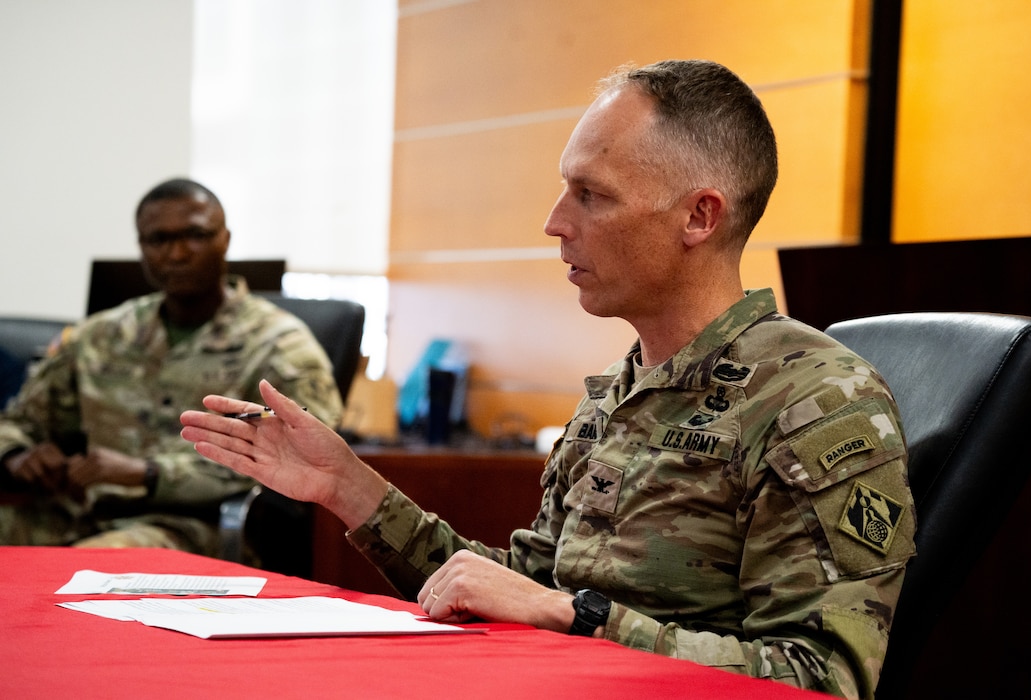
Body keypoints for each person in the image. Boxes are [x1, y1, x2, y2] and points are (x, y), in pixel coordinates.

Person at [179, 61, 915, 699]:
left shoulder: (815, 402)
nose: (555, 222)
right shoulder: (623, 392)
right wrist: (347, 486)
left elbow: (821, 680)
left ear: (700, 216)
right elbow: (514, 587)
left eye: (591, 196)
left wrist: (578, 615)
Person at [0, 178, 344, 554]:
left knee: (82, 567)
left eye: (195, 235)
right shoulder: (100, 335)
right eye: (158, 240)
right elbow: (19, 421)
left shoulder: (279, 345)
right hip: (76, 513)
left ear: (225, 239)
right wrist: (17, 456)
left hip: (187, 528)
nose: (177, 254)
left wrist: (150, 474)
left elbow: (302, 458)